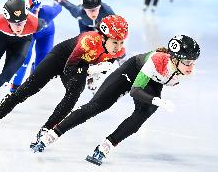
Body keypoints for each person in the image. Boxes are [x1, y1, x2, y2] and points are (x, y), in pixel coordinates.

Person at [32, 35, 200, 166]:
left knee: (145, 112)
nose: (191, 67)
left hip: (152, 82)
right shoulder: (157, 60)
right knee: (96, 106)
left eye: (193, 62)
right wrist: (158, 101)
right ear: (174, 59)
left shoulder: (184, 69)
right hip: (131, 72)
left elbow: (155, 84)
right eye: (187, 62)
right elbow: (135, 91)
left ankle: (106, 146)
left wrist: (154, 101)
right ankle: (52, 134)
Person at [0, 15, 129, 147]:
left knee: (73, 96)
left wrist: (95, 76)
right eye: (115, 42)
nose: (118, 47)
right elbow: (69, 69)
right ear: (102, 36)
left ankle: (46, 130)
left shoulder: (118, 51)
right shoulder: (88, 41)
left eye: (121, 42)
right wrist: (90, 71)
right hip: (61, 59)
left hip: (81, 65)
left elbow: (108, 62)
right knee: (25, 91)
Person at [53, 0, 120, 92]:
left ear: (100, 6)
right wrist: (59, 0)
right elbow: (68, 5)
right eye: (90, 10)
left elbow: (119, 30)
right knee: (86, 48)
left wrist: (119, 52)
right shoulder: (78, 12)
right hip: (86, 27)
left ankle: (97, 73)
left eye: (95, 9)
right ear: (83, 9)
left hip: (103, 28)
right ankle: (90, 74)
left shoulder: (108, 13)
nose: (93, 12)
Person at [10, 0, 62, 92]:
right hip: (29, 34)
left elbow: (59, 7)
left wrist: (57, 1)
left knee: (42, 64)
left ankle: (35, 69)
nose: (30, 17)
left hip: (46, 33)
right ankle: (14, 88)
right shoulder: (15, 15)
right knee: (24, 60)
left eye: (33, 12)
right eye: (26, 13)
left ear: (39, 7)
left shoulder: (48, 12)